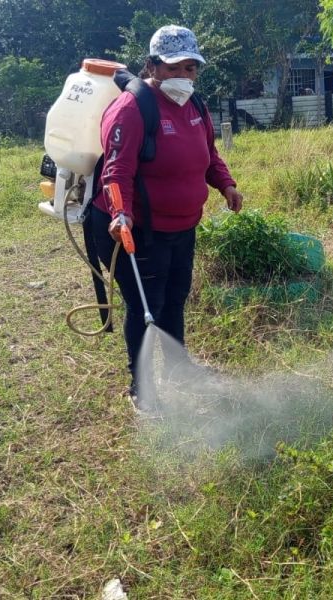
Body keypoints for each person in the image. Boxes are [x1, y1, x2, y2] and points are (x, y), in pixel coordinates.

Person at [89, 24, 244, 400]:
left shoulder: (195, 106)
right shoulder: (132, 108)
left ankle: (177, 370)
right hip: (139, 229)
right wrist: (120, 213)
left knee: (175, 297)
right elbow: (116, 170)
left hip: (182, 227)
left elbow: (209, 154)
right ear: (152, 66)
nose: (183, 76)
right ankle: (141, 388)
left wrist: (226, 185)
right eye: (174, 67)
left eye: (190, 68)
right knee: (147, 306)